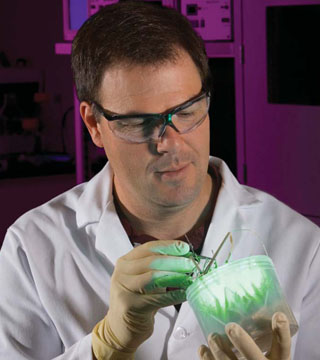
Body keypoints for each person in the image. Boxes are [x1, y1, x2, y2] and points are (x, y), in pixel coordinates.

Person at [0, 2, 319, 359]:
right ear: (94, 124)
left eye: (187, 111)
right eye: (138, 122)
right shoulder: (33, 246)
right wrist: (105, 347)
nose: (171, 142)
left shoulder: (303, 246)